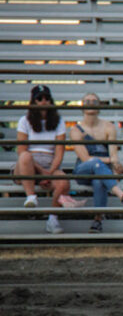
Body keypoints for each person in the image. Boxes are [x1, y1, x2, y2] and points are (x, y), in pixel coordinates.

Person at [70, 93, 123, 233]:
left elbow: (114, 155)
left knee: (99, 180)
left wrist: (115, 166)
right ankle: (121, 195)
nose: (91, 103)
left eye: (94, 101)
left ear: (99, 106)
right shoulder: (76, 130)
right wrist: (110, 161)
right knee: (95, 162)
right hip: (83, 170)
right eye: (87, 101)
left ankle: (97, 221)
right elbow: (85, 158)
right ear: (82, 107)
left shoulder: (109, 127)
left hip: (102, 171)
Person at [12, 85, 70, 234]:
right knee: (25, 156)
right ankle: (31, 196)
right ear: (34, 101)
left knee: (64, 182)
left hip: (50, 163)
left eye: (46, 98)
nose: (43, 101)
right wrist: (42, 171)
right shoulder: (24, 120)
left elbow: (59, 152)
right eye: (39, 98)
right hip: (29, 164)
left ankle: (53, 218)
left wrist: (49, 172)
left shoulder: (59, 121)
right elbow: (21, 150)